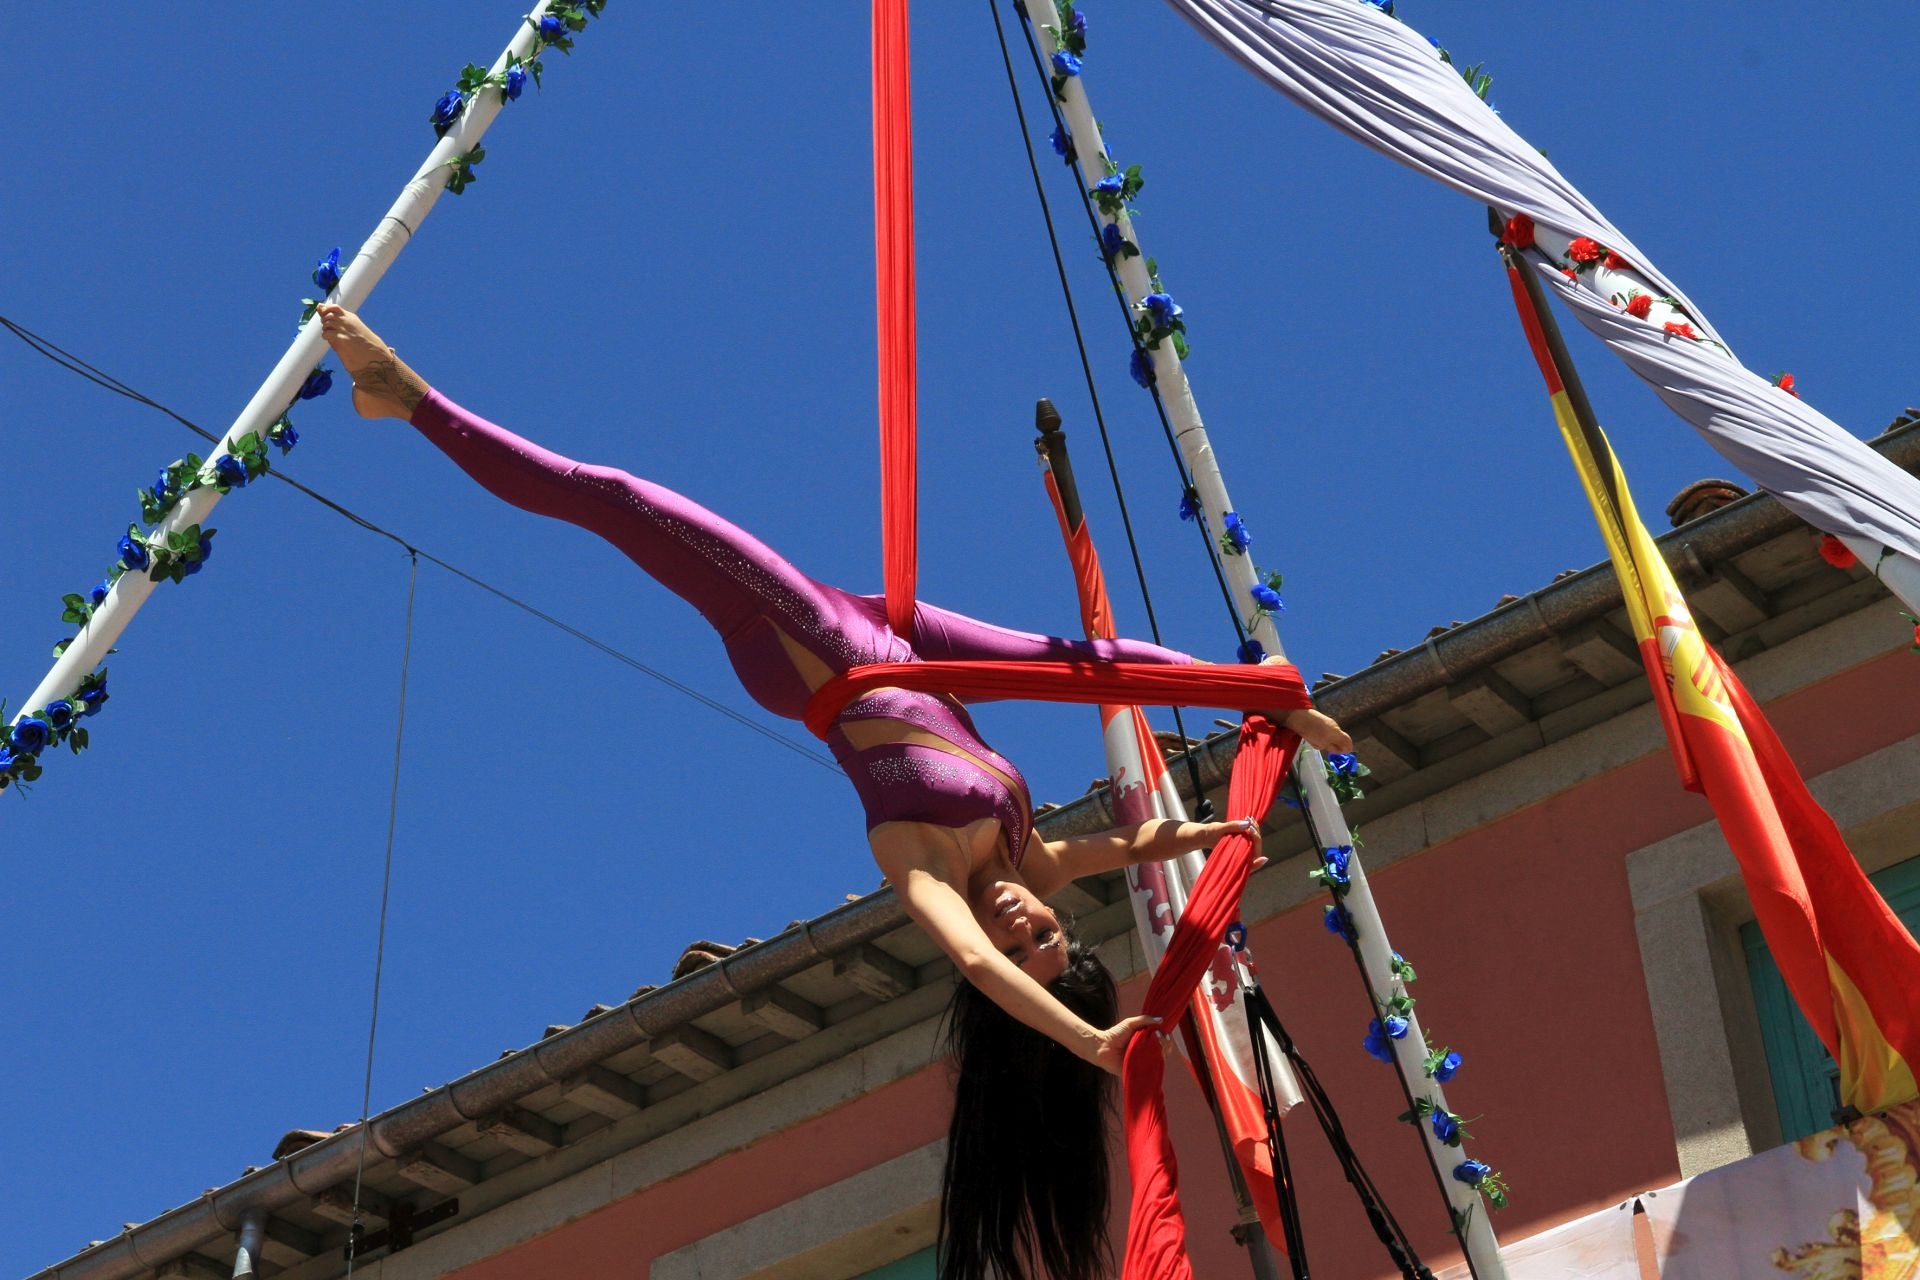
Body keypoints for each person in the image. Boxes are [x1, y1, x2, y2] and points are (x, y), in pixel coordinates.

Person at [317, 305, 1351, 1280]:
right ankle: (1268, 691)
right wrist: (1217, 823)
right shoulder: (1024, 851)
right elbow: (1122, 846)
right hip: (903, 639)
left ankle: (406, 399)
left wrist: (1086, 1042)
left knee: (619, 499)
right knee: (1082, 665)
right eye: (1044, 931)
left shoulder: (919, 859)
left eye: (1019, 943)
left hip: (815, 651)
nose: (1019, 921)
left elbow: (971, 959)